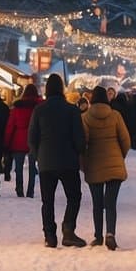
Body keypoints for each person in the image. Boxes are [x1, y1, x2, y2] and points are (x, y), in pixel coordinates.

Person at [28, 73, 86, 248]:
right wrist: (78, 152)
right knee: (74, 196)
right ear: (62, 89)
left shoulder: (39, 110)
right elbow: (79, 138)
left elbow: (32, 137)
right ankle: (68, 230)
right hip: (68, 161)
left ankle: (49, 235)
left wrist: (38, 156)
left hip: (46, 161)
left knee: (48, 201)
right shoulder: (72, 110)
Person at [81, 86, 131, 250]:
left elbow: (83, 143)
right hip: (114, 164)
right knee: (111, 202)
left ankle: (98, 236)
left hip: (94, 163)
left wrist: (84, 164)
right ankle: (111, 233)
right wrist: (119, 157)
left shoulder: (86, 117)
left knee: (97, 203)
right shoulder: (116, 115)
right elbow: (126, 141)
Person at [3, 83, 41, 197]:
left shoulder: (17, 108)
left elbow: (10, 126)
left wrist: (6, 142)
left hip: (18, 139)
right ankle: (30, 191)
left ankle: (19, 189)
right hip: (34, 140)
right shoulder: (39, 107)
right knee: (32, 167)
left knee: (18, 167)